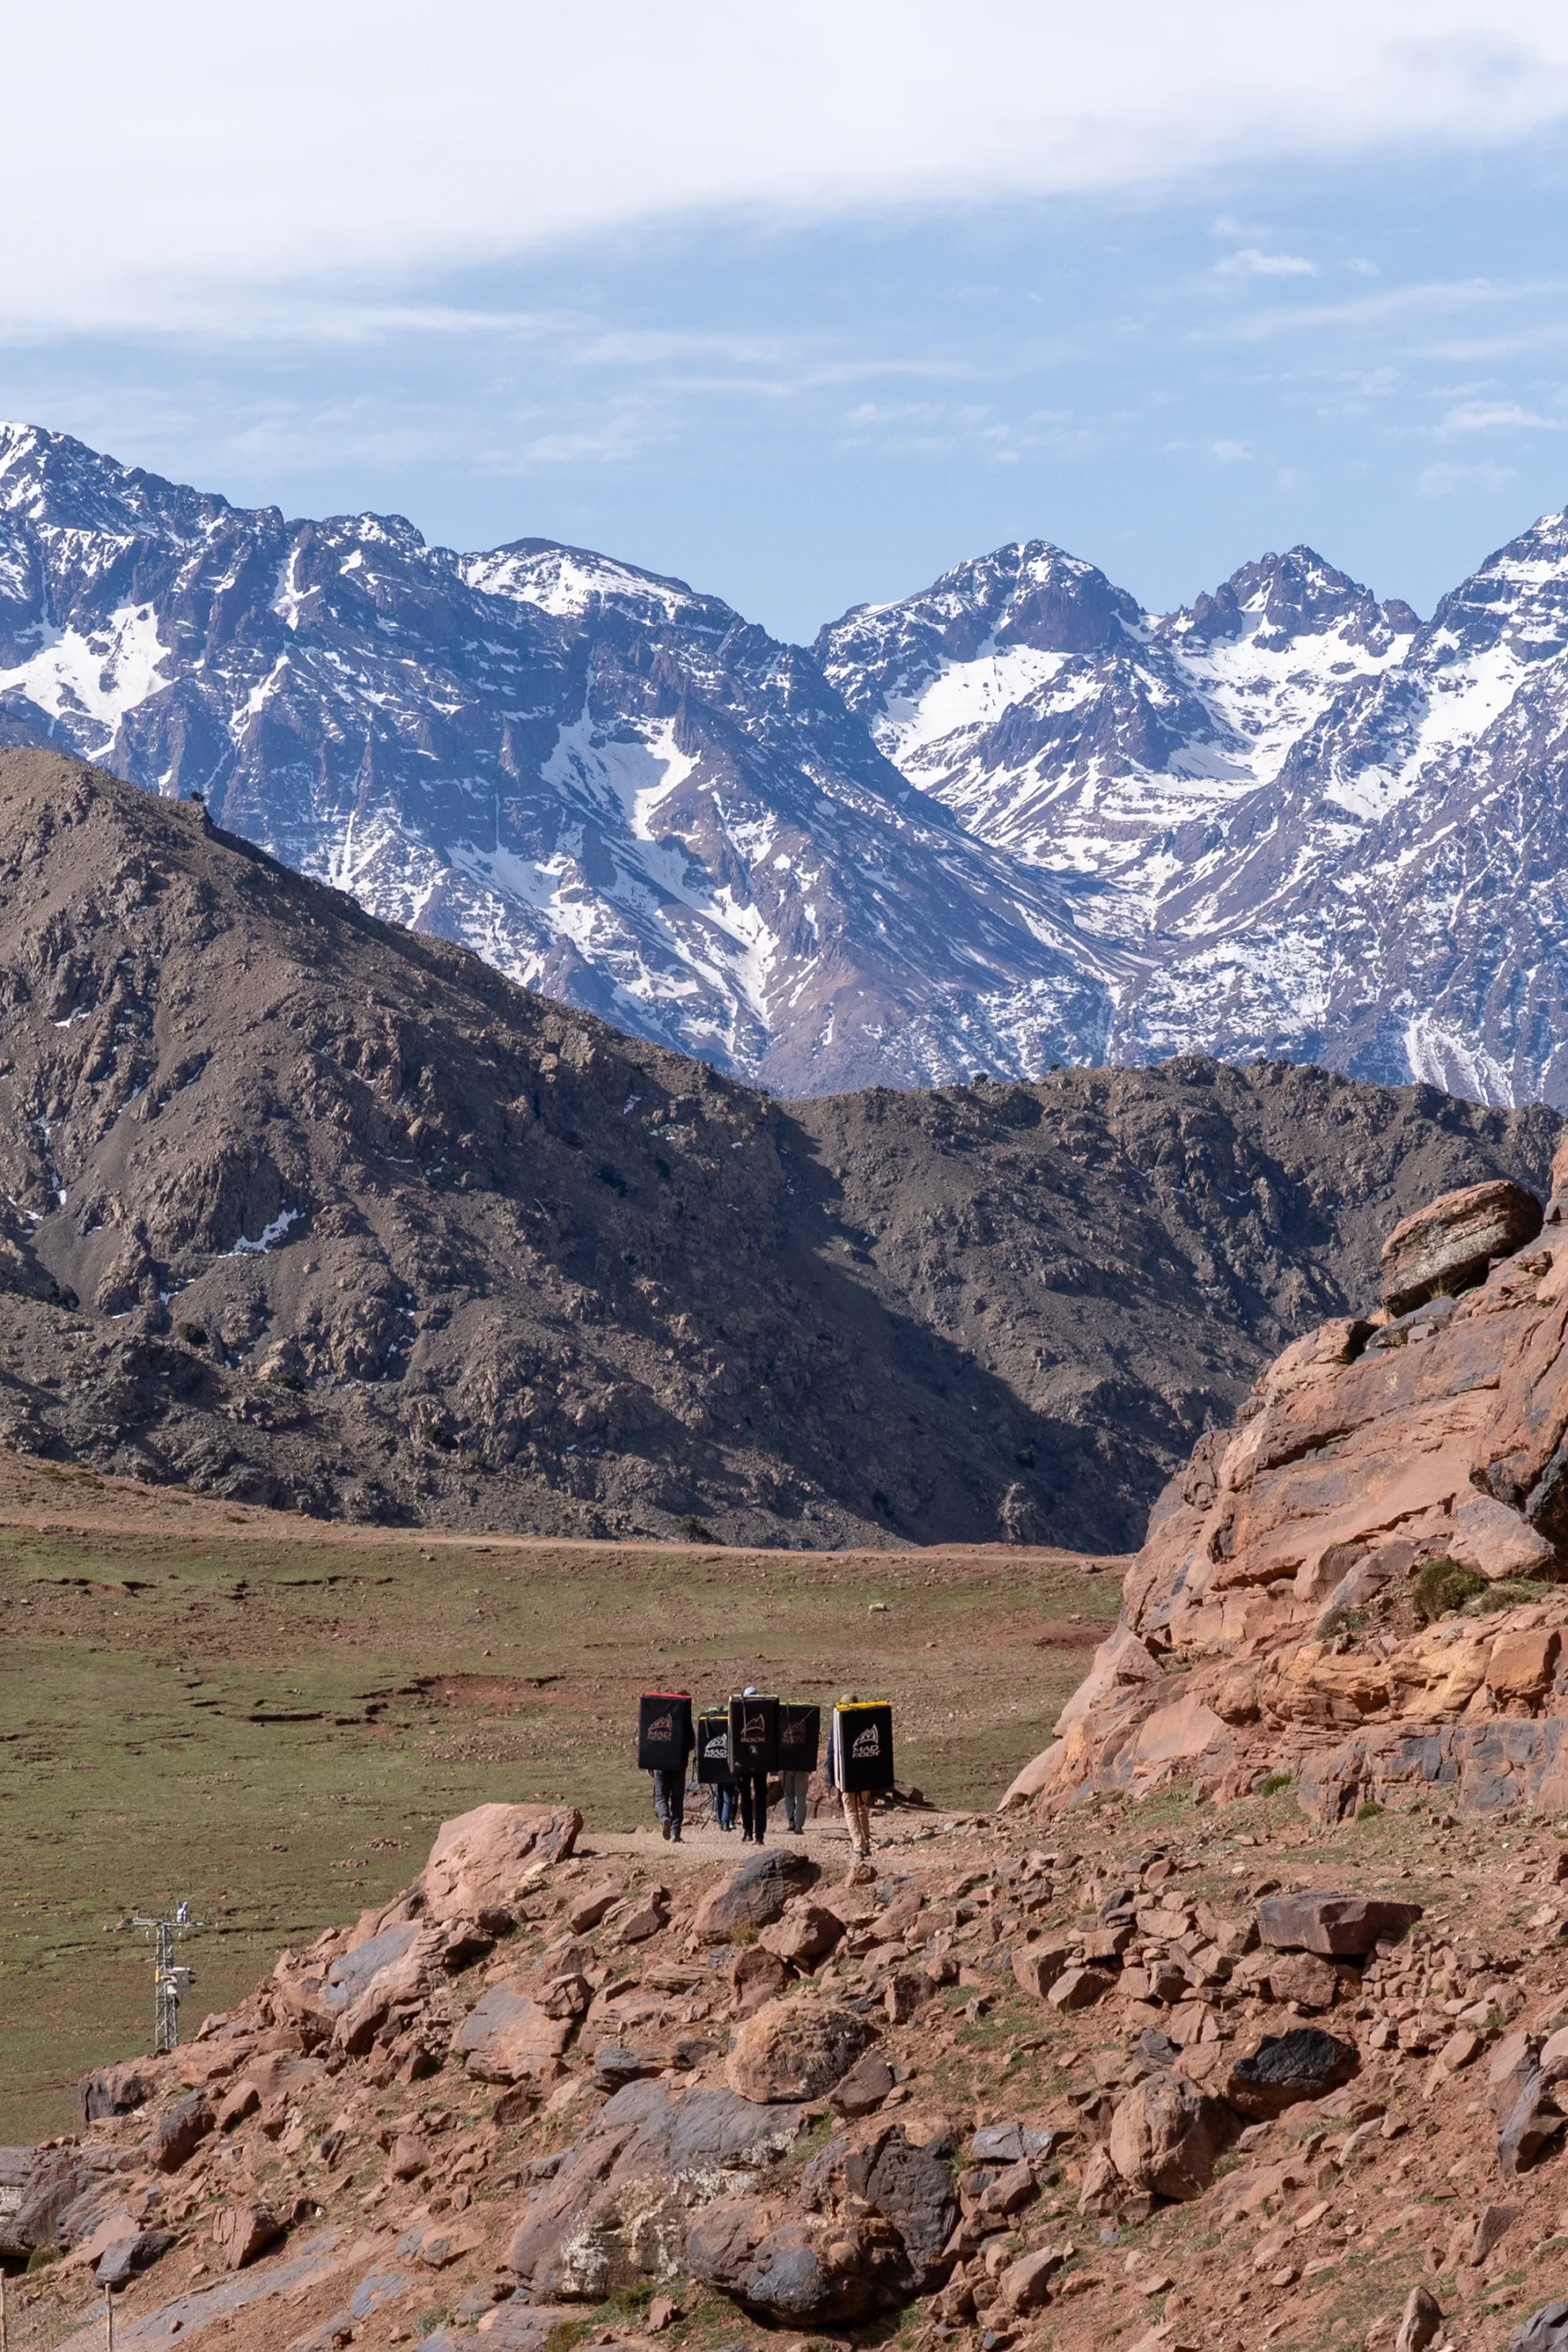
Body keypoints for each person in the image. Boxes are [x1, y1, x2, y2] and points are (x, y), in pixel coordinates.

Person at [829, 1690, 874, 1860]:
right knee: (862, 1807)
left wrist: (833, 1777)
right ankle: (866, 1843)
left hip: (847, 1775)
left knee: (850, 1810)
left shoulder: (838, 1725)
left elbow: (832, 1753)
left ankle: (858, 1846)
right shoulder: (867, 1722)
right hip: (865, 1774)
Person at [648, 1691, 694, 1843]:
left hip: (659, 1763)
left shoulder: (656, 1716)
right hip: (678, 1764)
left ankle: (664, 1817)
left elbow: (649, 1742)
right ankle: (676, 1833)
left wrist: (649, 1763)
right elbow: (691, 1742)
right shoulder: (684, 1719)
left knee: (661, 1796)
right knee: (677, 1799)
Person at [736, 1684, 771, 1846]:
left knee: (747, 1797)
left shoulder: (739, 1711)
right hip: (759, 1761)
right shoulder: (765, 1711)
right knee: (759, 1798)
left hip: (745, 1761)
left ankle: (749, 1832)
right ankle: (758, 1834)